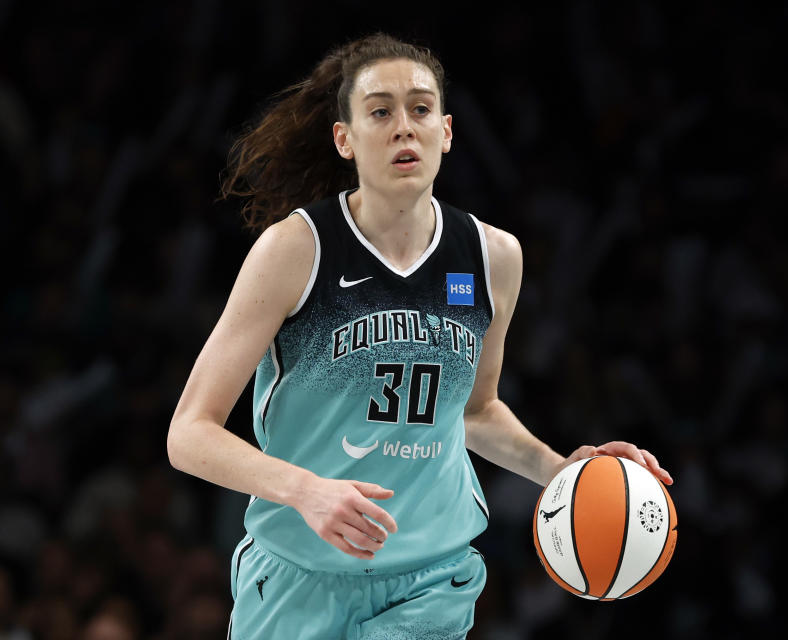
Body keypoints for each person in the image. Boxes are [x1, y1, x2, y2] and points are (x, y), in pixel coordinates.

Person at [167, 33, 674, 639]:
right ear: (344, 139)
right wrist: (305, 491)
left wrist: (563, 470)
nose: (404, 127)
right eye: (380, 111)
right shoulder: (295, 249)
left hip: (432, 580)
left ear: (448, 131)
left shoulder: (493, 257)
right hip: (298, 576)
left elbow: (476, 411)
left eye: (421, 108)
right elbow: (188, 434)